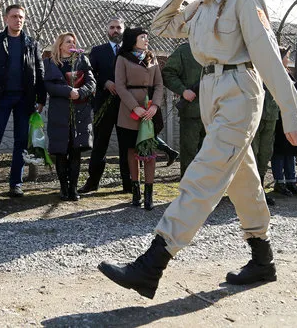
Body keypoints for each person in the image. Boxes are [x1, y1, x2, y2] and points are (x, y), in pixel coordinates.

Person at [98, 0, 297, 298]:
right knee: (242, 177)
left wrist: (291, 113)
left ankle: (152, 264)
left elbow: (270, 59)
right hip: (210, 92)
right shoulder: (200, 5)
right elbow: (160, 27)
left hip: (240, 88)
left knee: (205, 172)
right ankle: (262, 259)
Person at [0, 4, 46, 198]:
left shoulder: (32, 43)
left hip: (25, 98)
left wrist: (41, 98)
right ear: (6, 19)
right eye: (14, 16)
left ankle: (16, 183)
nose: (18, 20)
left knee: (21, 141)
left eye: (21, 17)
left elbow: (40, 72)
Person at [78, 18, 132, 194]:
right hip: (104, 103)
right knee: (100, 144)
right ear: (107, 30)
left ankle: (128, 184)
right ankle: (92, 182)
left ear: (124, 30)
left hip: (127, 105)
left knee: (127, 145)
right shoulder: (98, 51)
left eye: (118, 27)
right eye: (112, 27)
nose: (115, 30)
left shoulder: (131, 50)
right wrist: (105, 82)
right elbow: (90, 74)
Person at [114, 27, 164, 210]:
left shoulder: (153, 57)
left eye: (147, 36)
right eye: (142, 36)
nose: (146, 39)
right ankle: (136, 192)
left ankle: (149, 193)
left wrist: (154, 106)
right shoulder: (123, 58)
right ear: (133, 39)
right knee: (132, 150)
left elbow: (159, 84)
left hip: (150, 110)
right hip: (129, 111)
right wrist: (134, 106)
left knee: (150, 151)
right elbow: (119, 85)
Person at [43, 33, 96, 201]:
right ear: (60, 45)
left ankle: (73, 188)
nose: (72, 44)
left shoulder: (82, 60)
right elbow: (49, 85)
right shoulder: (50, 63)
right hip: (60, 112)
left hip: (80, 112)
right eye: (68, 42)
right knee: (61, 151)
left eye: (73, 41)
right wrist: (68, 91)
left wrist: (80, 92)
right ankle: (63, 188)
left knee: (75, 151)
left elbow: (92, 82)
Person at [271, 46, 297, 197]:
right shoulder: (276, 73)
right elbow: (289, 92)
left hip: (291, 117)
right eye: (287, 57)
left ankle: (291, 181)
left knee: (291, 151)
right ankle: (279, 182)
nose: (288, 60)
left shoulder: (287, 73)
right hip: (280, 118)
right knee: (280, 152)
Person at [161, 42, 206, 177]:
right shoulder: (185, 50)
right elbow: (168, 73)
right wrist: (183, 91)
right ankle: (189, 191)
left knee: (213, 154)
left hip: (217, 112)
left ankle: (210, 191)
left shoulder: (221, 47)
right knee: (189, 153)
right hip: (192, 111)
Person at [251, 88, 279, 205]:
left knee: (265, 153)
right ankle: (251, 192)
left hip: (271, 113)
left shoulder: (275, 69)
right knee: (253, 153)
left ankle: (260, 191)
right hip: (253, 113)